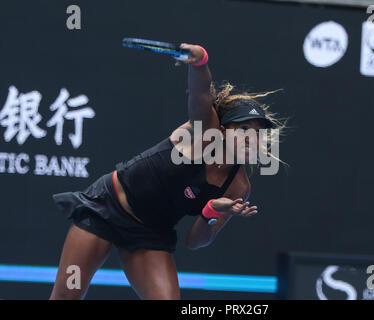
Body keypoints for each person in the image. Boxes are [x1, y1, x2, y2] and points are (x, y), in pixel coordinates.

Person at [49, 43, 284, 300]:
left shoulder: (238, 187)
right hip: (105, 208)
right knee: (66, 296)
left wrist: (212, 210)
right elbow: (200, 94)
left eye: (259, 132)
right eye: (244, 129)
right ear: (224, 130)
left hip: (151, 234)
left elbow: (195, 241)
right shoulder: (204, 134)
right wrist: (200, 62)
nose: (253, 137)